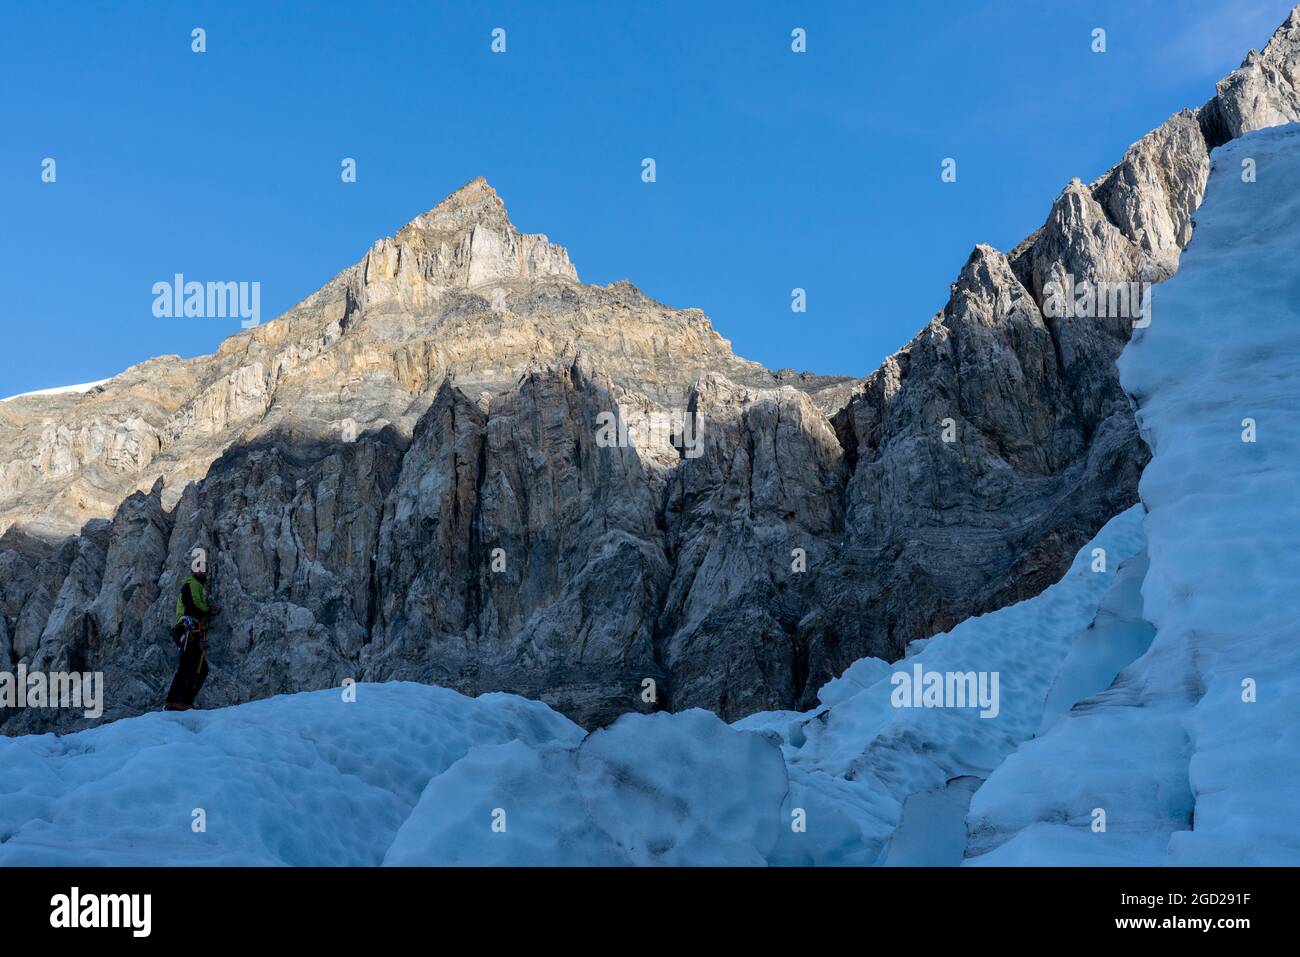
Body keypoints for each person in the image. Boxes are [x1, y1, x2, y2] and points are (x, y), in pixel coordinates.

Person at [164, 546, 219, 711]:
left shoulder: (197, 587)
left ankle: (186, 702)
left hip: (194, 631)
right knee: (187, 665)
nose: (203, 573)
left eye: (205, 571)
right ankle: (173, 701)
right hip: (187, 629)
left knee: (201, 669)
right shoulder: (191, 584)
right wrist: (210, 610)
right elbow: (193, 606)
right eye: (200, 570)